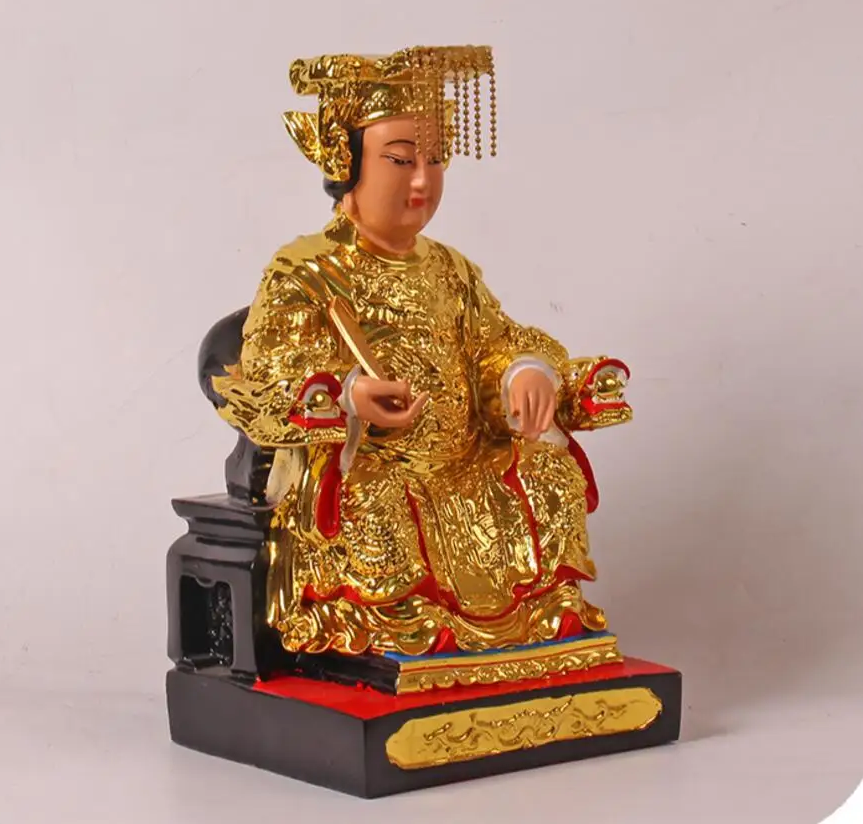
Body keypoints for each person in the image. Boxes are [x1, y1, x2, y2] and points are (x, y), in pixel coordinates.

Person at [213, 45, 632, 657]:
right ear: (347, 161)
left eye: (435, 160)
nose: (422, 180)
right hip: (373, 460)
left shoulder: (450, 269)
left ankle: (547, 603)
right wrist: (350, 396)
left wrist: (523, 373)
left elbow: (496, 343)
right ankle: (396, 615)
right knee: (371, 495)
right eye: (401, 159)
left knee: (546, 469)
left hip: (464, 456)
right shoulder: (306, 272)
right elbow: (274, 370)